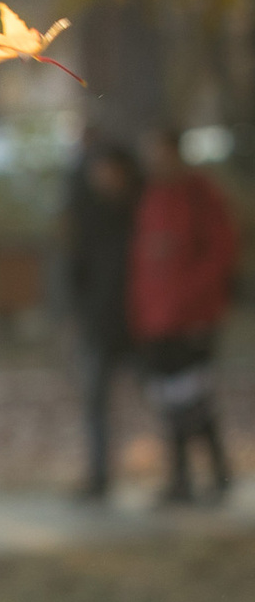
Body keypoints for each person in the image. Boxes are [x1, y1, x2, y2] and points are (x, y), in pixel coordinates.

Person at [130, 126, 238, 504]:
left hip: (192, 317)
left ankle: (214, 473)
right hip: (157, 319)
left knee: (194, 398)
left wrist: (192, 299)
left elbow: (219, 253)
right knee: (169, 401)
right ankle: (183, 478)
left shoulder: (199, 194)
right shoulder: (152, 196)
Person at [63, 134, 140, 501]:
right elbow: (73, 269)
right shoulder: (86, 214)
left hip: (142, 321)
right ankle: (98, 476)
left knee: (170, 398)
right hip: (98, 322)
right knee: (95, 403)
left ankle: (185, 471)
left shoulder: (142, 212)